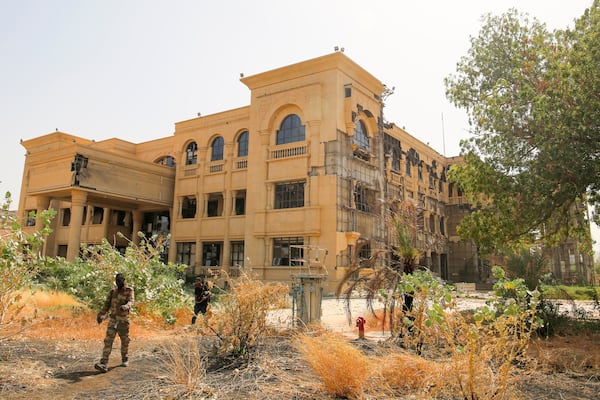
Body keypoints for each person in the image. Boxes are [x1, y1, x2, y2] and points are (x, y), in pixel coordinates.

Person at [94, 272, 135, 373]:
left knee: (125, 340)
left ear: (123, 281)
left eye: (120, 281)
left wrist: (126, 306)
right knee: (108, 341)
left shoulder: (129, 291)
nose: (118, 283)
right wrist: (100, 315)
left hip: (123, 321)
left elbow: (131, 301)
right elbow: (106, 305)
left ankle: (125, 358)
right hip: (113, 320)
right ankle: (103, 363)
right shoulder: (113, 292)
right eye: (116, 281)